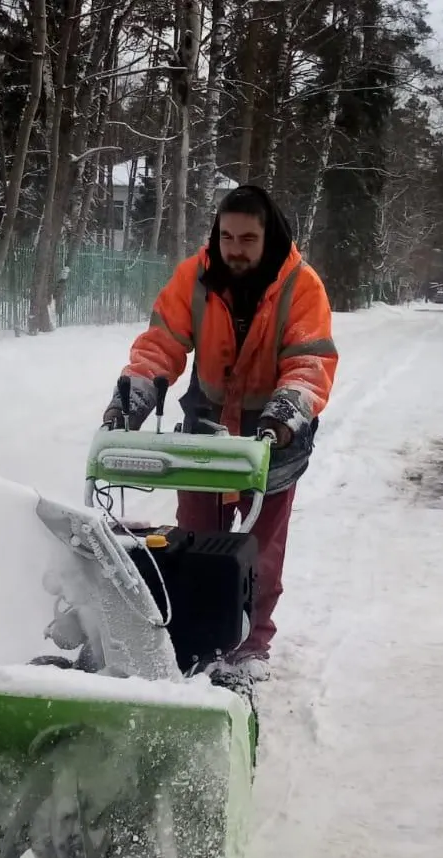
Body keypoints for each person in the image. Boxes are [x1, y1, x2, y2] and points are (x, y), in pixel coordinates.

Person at [100, 185, 339, 683]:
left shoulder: (301, 286)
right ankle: (194, 633)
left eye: (247, 239)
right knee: (195, 540)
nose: (235, 249)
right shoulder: (196, 276)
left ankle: (251, 645)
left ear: (269, 237)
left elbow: (309, 363)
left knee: (259, 551)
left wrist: (283, 416)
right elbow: (160, 344)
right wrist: (133, 398)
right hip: (206, 431)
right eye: (227, 237)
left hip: (273, 438)